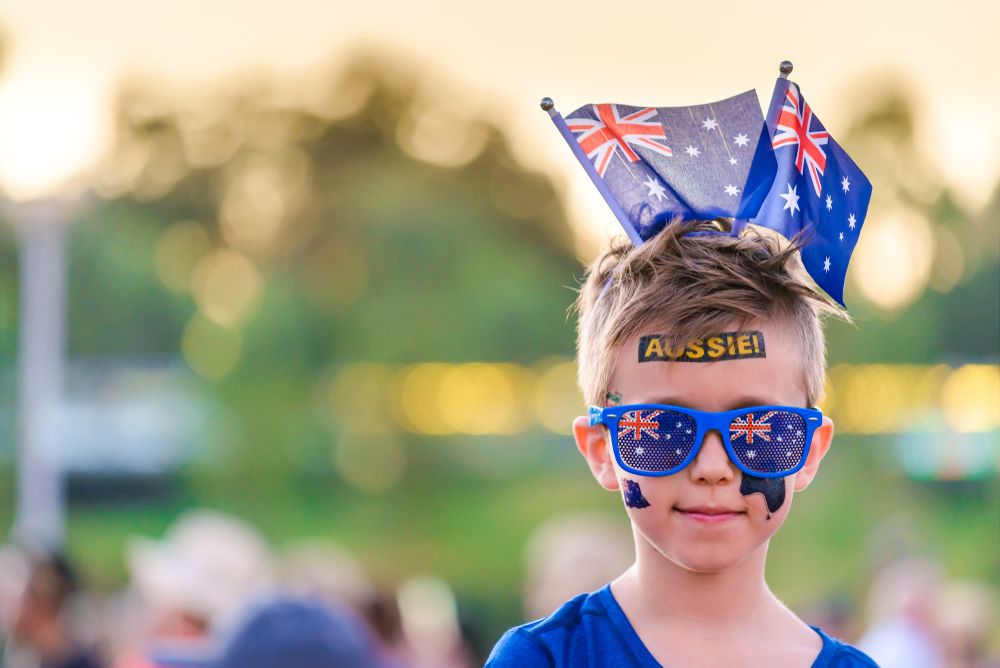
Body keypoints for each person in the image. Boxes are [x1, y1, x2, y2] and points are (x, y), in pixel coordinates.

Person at [487, 219, 879, 667]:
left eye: (759, 429)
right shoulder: (545, 659)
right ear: (602, 449)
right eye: (662, 427)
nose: (712, 467)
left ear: (809, 450)